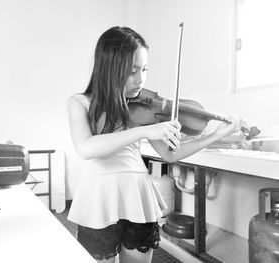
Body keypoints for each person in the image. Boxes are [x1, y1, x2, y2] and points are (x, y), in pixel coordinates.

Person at [67, 26, 245, 263]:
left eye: (145, 69)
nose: (140, 79)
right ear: (109, 67)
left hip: (137, 197)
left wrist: (215, 135)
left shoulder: (144, 109)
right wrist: (146, 130)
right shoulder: (80, 103)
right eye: (132, 71)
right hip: (98, 200)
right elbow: (87, 148)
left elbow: (171, 155)